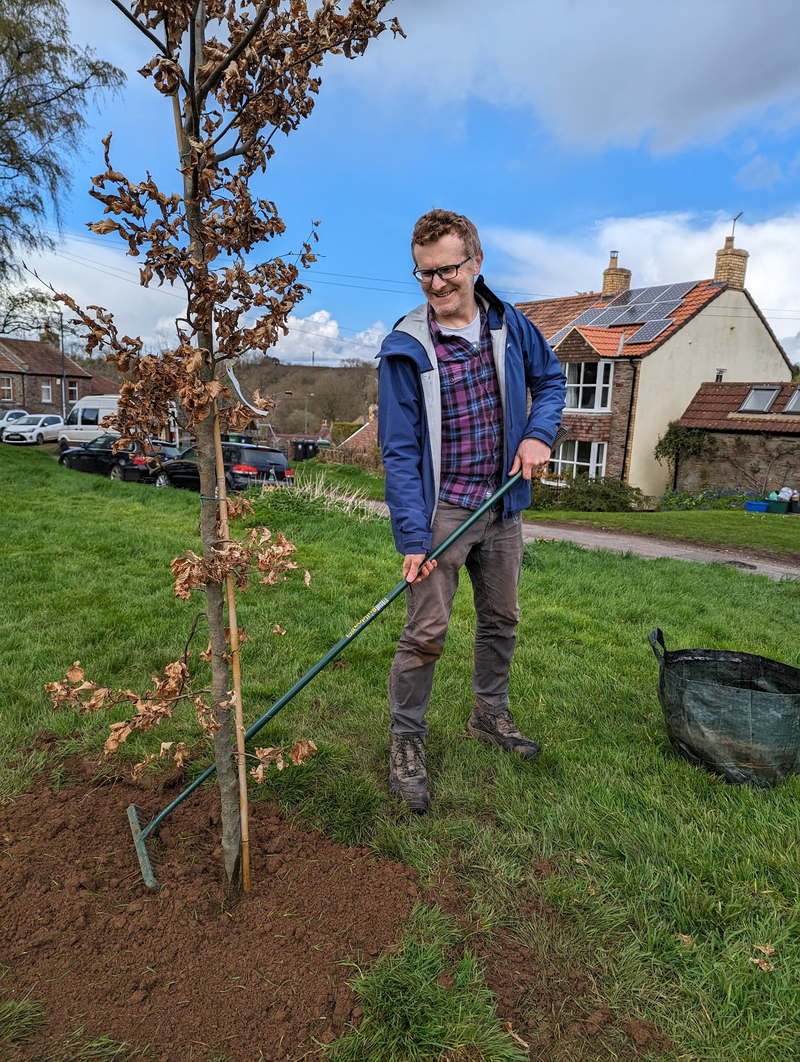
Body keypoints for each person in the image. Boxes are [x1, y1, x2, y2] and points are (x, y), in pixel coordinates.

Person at [376, 209, 566, 813]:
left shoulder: (510, 326)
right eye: (424, 273)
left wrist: (539, 435)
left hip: (502, 505)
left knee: (502, 618)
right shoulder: (406, 348)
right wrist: (412, 537)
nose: (437, 284)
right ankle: (406, 741)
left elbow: (553, 382)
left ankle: (490, 713)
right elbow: (399, 451)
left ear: (475, 264)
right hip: (443, 512)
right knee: (426, 632)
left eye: (448, 270)